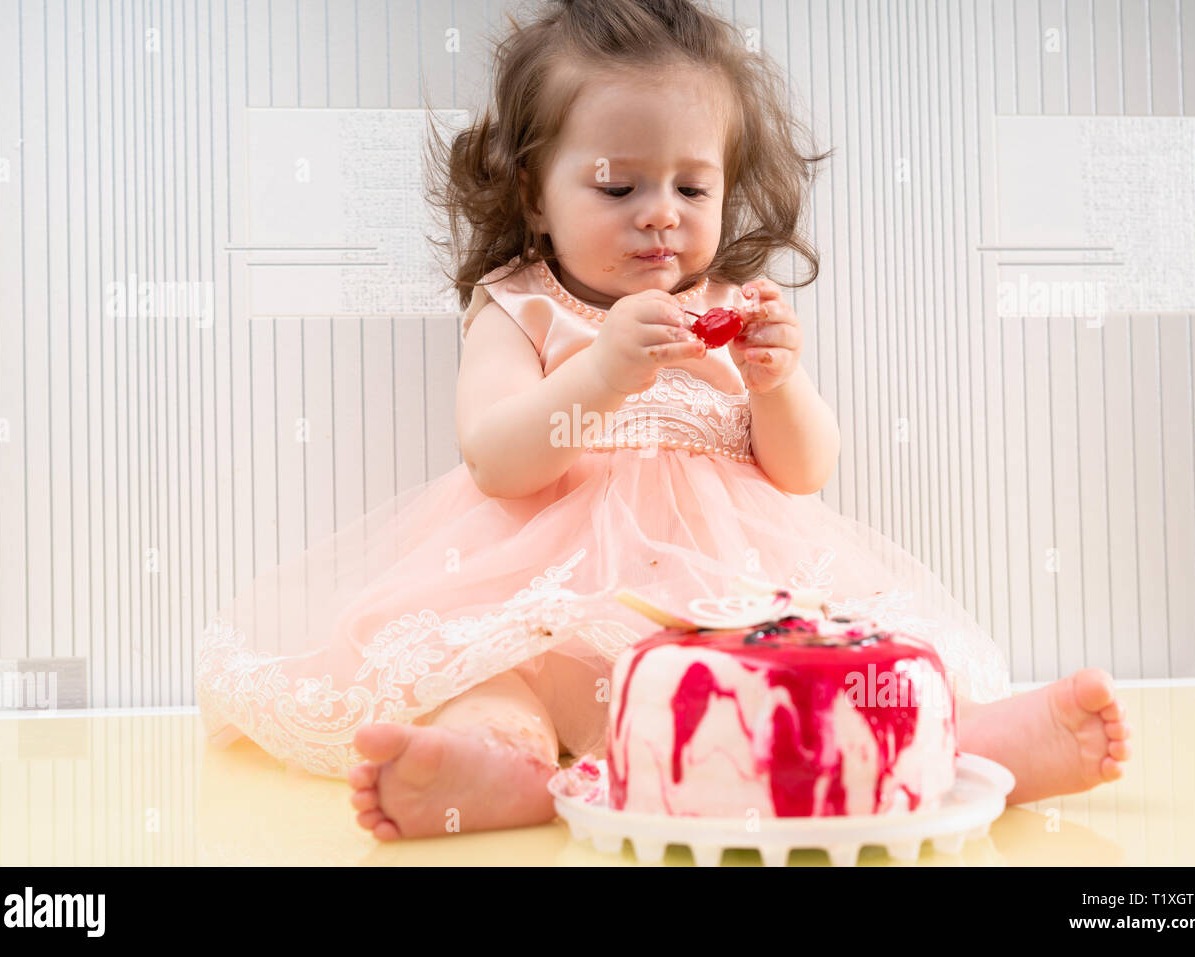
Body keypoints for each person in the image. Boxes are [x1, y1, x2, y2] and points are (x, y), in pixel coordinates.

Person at [195, 0, 1131, 842]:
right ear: (532, 193)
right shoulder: (521, 306)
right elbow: (494, 460)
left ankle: (978, 744)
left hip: (721, 605)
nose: (661, 218)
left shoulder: (728, 306)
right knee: (486, 683)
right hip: (550, 606)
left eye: (692, 188)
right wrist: (601, 369)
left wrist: (776, 383)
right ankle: (500, 768)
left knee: (838, 679)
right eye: (619, 187)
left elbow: (805, 472)